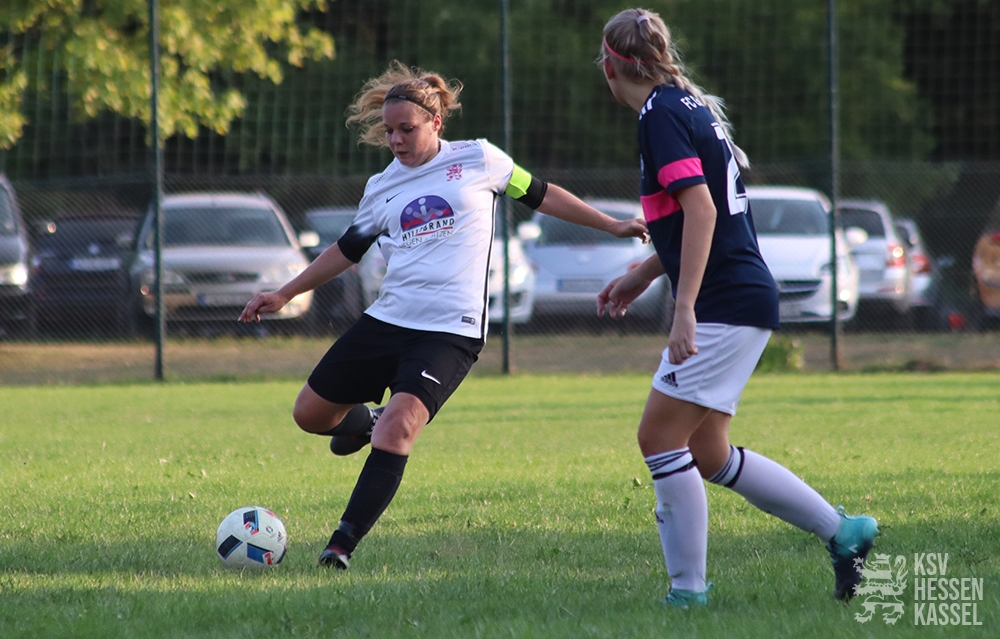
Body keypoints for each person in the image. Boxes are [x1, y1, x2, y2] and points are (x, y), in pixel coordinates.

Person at [239, 60, 648, 570]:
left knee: (398, 430)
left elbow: (541, 194)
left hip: (449, 332)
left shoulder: (480, 159)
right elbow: (347, 250)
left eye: (406, 129)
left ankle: (340, 545)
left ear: (435, 122)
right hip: (388, 319)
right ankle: (367, 422)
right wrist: (284, 293)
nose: (396, 140)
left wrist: (612, 225)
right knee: (310, 415)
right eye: (389, 131)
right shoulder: (381, 186)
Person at [593, 9, 878, 608]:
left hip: (724, 300)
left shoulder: (660, 115)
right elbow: (701, 216)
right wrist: (644, 274)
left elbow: (701, 211)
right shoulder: (683, 104)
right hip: (743, 293)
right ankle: (842, 532)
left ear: (611, 67)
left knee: (658, 438)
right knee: (708, 452)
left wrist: (684, 309)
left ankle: (687, 592)